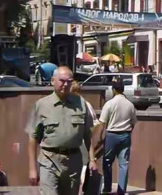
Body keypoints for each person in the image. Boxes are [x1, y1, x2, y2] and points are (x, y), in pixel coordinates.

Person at [27, 66, 98, 195]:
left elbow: (87, 135)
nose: (65, 84)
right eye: (62, 81)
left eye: (69, 81)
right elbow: (32, 137)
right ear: (53, 81)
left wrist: (92, 159)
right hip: (49, 160)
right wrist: (32, 169)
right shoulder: (42, 105)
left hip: (73, 162)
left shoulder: (81, 103)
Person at [100, 78, 137, 195]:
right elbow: (133, 122)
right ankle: (121, 191)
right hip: (125, 135)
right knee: (123, 164)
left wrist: (99, 138)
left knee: (107, 162)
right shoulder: (130, 104)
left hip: (111, 135)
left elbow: (102, 123)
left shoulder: (109, 104)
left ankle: (107, 187)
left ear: (114, 90)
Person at [70, 81, 103, 191]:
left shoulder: (82, 104)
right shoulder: (86, 104)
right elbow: (95, 123)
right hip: (84, 142)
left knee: (80, 171)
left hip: (81, 143)